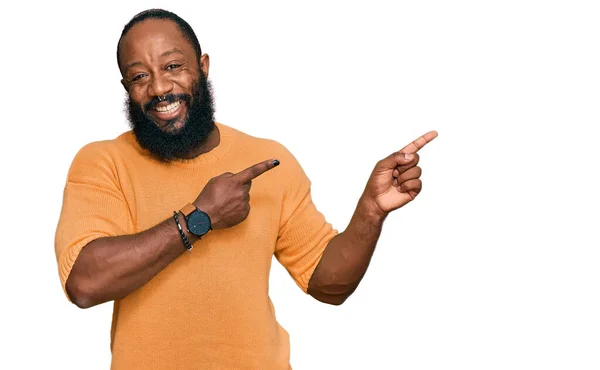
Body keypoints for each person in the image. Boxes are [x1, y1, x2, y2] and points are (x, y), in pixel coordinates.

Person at [54, 8, 437, 370]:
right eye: (139, 76)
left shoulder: (267, 159)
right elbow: (85, 284)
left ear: (202, 68)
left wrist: (370, 210)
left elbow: (329, 285)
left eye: (173, 66)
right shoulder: (103, 162)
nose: (159, 87)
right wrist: (198, 219)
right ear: (126, 87)